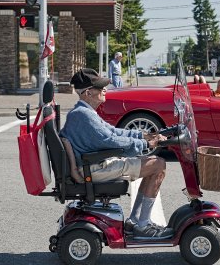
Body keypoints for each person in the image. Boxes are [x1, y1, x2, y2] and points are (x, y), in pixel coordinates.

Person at [60, 68, 174, 240]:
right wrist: (144, 144)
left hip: (93, 164)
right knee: (158, 164)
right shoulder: (83, 115)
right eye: (100, 88)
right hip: (93, 168)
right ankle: (142, 225)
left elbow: (113, 132)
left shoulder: (84, 112)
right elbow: (110, 140)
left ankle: (135, 221)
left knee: (153, 164)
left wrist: (144, 135)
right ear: (88, 92)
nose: (105, 90)